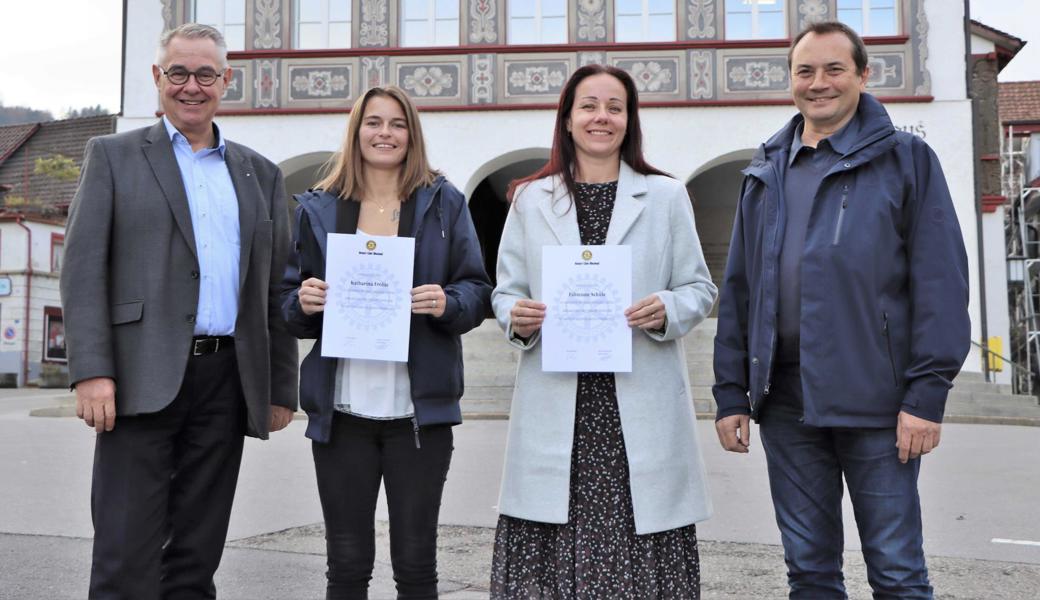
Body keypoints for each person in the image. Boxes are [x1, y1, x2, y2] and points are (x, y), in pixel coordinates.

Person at [713, 21, 970, 599]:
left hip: (879, 402)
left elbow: (941, 282)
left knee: (897, 572)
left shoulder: (906, 159)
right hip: (785, 403)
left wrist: (927, 395)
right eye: (805, 71)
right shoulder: (766, 170)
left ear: (862, 75)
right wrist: (732, 392)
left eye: (834, 69)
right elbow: (740, 290)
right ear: (791, 81)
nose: (819, 83)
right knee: (808, 572)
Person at [60, 23, 299, 599]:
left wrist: (279, 388)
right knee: (125, 553)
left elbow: (275, 287)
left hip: (225, 381)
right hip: (139, 378)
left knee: (196, 556)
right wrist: (92, 370)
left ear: (226, 81)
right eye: (179, 73)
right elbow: (83, 269)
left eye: (205, 74)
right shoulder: (113, 156)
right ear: (157, 77)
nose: (192, 86)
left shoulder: (259, 173)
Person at [489, 64, 718, 598]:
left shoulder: (665, 197)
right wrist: (516, 316)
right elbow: (505, 290)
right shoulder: (530, 199)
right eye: (589, 106)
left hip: (634, 404)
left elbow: (699, 289)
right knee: (551, 531)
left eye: (615, 107)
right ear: (567, 119)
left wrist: (666, 308)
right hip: (559, 402)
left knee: (639, 537)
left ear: (630, 120)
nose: (602, 117)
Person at [281, 85, 491, 599]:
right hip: (343, 413)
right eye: (373, 122)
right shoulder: (319, 208)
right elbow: (288, 301)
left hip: (417, 416)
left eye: (397, 124)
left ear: (411, 134)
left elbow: (477, 289)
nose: (385, 133)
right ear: (356, 132)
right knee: (347, 565)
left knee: (416, 564)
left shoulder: (444, 202)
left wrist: (448, 303)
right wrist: (303, 301)